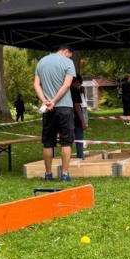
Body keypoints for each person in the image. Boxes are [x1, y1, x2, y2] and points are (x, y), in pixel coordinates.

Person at [33, 44, 76, 182]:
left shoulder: (41, 62)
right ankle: (64, 174)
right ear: (66, 51)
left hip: (48, 108)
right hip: (64, 107)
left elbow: (36, 84)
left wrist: (45, 101)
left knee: (48, 142)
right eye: (70, 54)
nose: (70, 57)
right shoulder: (68, 62)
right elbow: (67, 85)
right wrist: (55, 100)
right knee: (66, 142)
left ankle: (48, 174)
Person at [72, 74, 88, 160]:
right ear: (77, 82)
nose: (79, 86)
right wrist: (83, 121)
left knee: (67, 141)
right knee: (79, 138)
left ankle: (67, 158)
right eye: (79, 84)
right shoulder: (75, 91)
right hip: (75, 118)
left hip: (65, 117)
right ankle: (80, 156)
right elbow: (77, 106)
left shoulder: (63, 90)